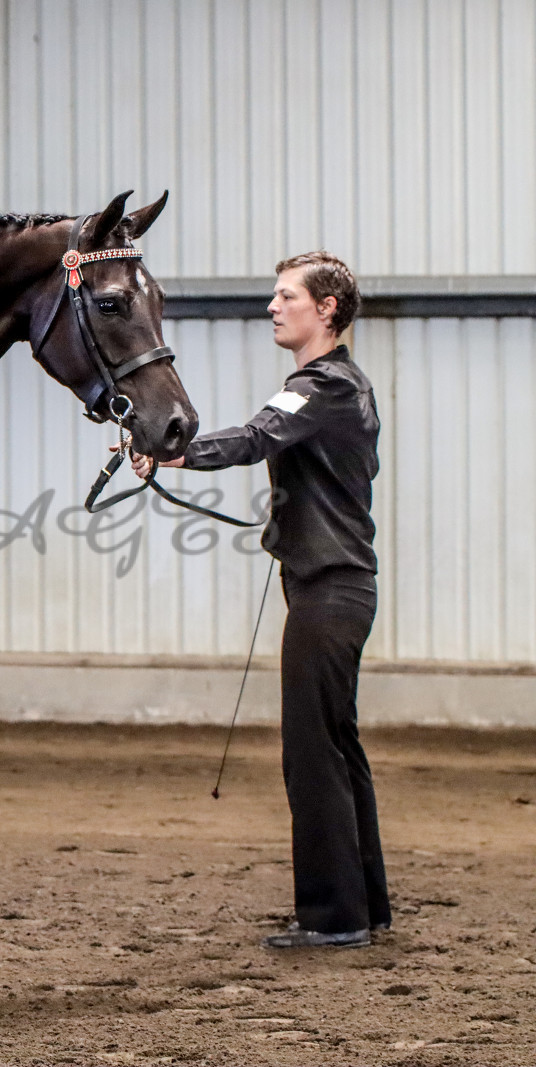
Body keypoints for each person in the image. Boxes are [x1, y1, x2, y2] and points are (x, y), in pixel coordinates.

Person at [132, 251, 389, 949]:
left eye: (287, 296)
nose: (273, 307)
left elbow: (253, 438)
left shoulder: (322, 385)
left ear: (326, 309)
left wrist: (173, 451)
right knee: (337, 746)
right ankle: (364, 906)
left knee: (312, 753)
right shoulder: (339, 385)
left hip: (328, 589)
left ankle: (333, 918)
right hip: (337, 586)